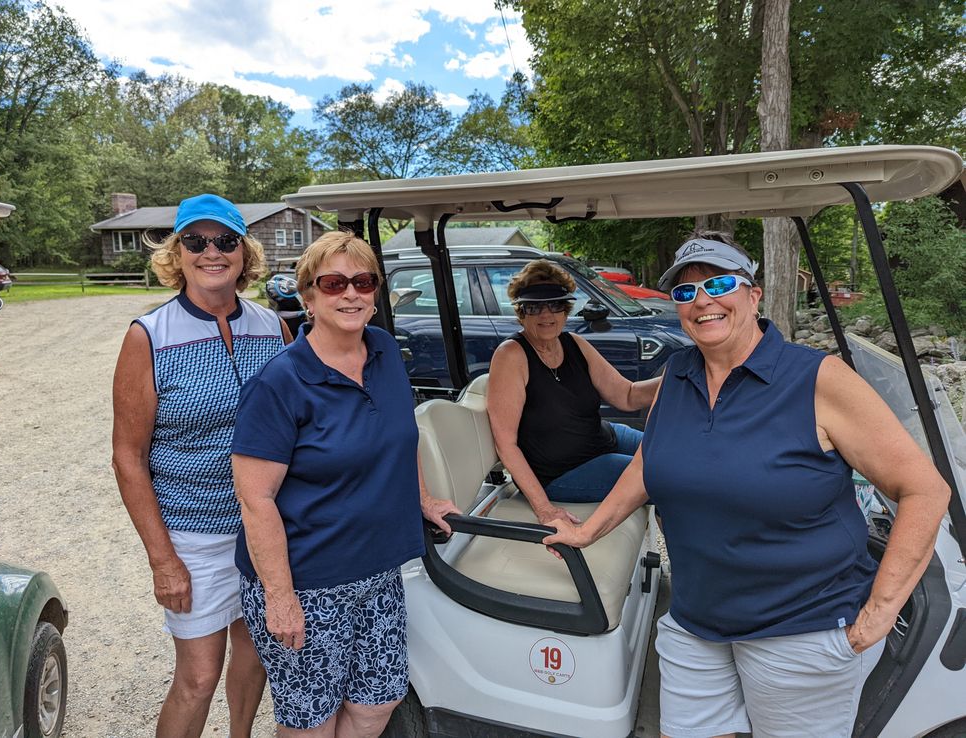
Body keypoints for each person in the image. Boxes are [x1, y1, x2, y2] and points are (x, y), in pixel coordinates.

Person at [544, 232, 951, 738]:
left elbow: (925, 491)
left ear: (753, 295)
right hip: (695, 620)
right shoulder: (679, 373)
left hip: (799, 629)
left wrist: (881, 611)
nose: (703, 302)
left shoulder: (816, 378)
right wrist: (589, 531)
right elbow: (649, 465)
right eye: (686, 292)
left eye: (718, 284)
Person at [231, 230, 458, 738]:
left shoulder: (382, 350)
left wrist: (421, 498)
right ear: (308, 297)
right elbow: (255, 498)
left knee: (379, 700)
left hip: (379, 572)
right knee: (312, 721)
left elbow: (401, 434)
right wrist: (280, 597)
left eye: (363, 281)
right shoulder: (279, 384)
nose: (351, 293)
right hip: (310, 585)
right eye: (333, 283)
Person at [112, 193, 291, 738]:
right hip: (193, 534)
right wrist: (162, 558)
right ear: (178, 252)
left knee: (256, 656)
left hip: (265, 528)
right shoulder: (150, 336)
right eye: (196, 241)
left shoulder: (274, 328)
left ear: (244, 251)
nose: (211, 252)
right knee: (197, 676)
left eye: (225, 241)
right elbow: (127, 455)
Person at [486, 259, 659, 525]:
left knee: (674, 453)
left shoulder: (573, 343)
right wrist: (545, 509)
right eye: (535, 307)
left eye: (555, 304)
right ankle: (691, 560)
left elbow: (627, 395)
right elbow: (505, 444)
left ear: (566, 309)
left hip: (603, 439)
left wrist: (678, 379)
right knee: (665, 476)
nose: (546, 315)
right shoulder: (511, 356)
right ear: (522, 312)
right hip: (563, 473)